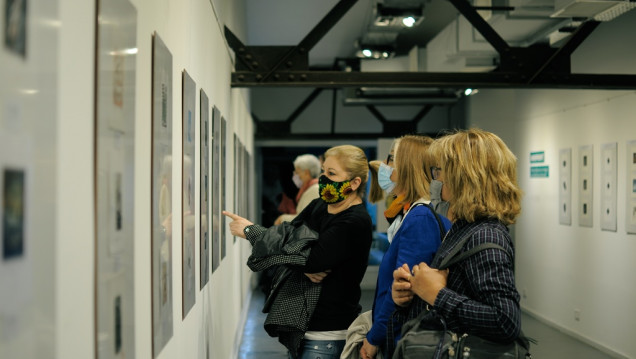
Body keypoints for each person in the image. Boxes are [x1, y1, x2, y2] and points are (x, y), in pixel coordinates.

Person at [223, 145, 373, 359]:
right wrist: (300, 261)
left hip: (327, 333)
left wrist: (252, 232)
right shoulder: (320, 205)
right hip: (305, 328)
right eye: (323, 171)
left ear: (355, 182)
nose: (323, 178)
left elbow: (311, 261)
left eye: (331, 173)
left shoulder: (354, 221)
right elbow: (290, 236)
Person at [389, 129, 523, 357]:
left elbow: (505, 321)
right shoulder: (464, 228)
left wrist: (437, 294)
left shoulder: (485, 236)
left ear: (463, 178)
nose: (435, 179)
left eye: (438, 171)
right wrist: (411, 294)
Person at [360, 135, 452, 359]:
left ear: (408, 167)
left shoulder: (420, 217)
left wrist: (374, 338)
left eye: (391, 158)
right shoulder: (416, 212)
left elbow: (402, 291)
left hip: (406, 339)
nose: (385, 165)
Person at [274, 154, 321, 225]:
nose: (295, 175)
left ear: (306, 172)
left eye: (297, 172)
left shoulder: (314, 190)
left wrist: (282, 218)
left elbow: (304, 219)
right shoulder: (310, 189)